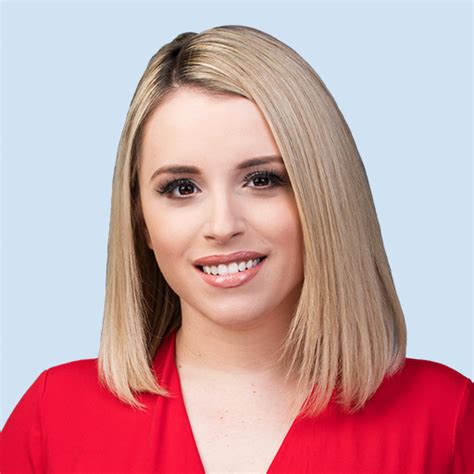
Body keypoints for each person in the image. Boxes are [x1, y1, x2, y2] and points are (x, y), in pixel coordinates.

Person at [2, 25, 472, 474]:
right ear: (140, 219)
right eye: (182, 187)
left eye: (262, 179)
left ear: (325, 197)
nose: (223, 226)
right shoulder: (55, 417)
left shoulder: (445, 419)